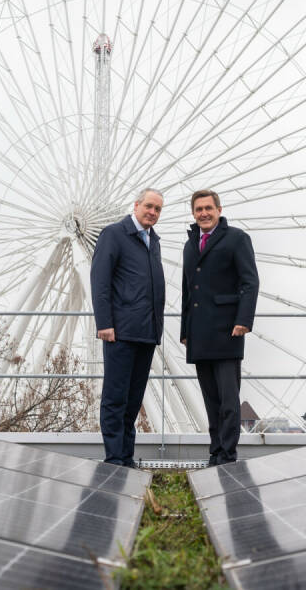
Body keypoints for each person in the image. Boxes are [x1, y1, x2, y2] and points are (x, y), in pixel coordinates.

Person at [180, 190, 259, 466]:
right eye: (198, 209)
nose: (203, 213)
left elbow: (250, 282)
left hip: (227, 330)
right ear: (193, 213)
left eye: (208, 208)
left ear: (219, 209)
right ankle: (215, 451)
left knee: (228, 400)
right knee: (210, 399)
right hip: (199, 333)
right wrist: (185, 331)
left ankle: (227, 454)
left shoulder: (237, 239)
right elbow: (187, 291)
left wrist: (243, 320)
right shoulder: (190, 245)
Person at [90, 188, 165, 467]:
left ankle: (126, 455)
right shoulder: (113, 234)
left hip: (146, 333)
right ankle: (114, 458)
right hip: (120, 331)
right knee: (115, 396)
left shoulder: (153, 241)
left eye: (158, 209)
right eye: (149, 206)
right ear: (136, 205)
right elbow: (100, 282)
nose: (153, 212)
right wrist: (105, 323)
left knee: (133, 400)